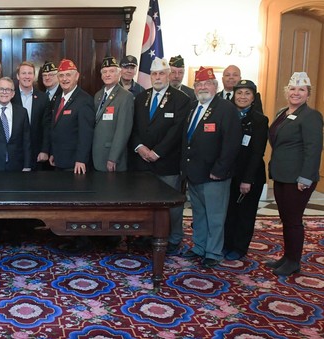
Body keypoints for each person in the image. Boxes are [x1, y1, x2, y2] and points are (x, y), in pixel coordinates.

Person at [181, 66, 242, 268]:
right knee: (198, 213)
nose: (202, 87)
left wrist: (220, 169)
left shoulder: (226, 109)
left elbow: (232, 143)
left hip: (214, 175)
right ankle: (199, 246)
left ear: (215, 86)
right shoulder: (192, 107)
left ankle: (213, 252)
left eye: (206, 83)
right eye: (198, 84)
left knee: (215, 216)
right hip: (194, 172)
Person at [131, 57, 191, 255]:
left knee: (170, 205)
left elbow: (177, 130)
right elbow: (135, 127)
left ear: (169, 75)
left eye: (161, 74)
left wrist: (158, 152)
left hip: (167, 162)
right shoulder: (141, 97)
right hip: (143, 162)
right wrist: (140, 147)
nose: (158, 77)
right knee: (146, 203)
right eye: (154, 74)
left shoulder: (181, 99)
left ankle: (173, 238)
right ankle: (147, 235)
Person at [267, 72, 323, 276]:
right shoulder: (283, 112)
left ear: (308, 94)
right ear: (287, 91)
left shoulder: (311, 116)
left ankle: (294, 261)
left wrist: (306, 176)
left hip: (298, 178)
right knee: (286, 218)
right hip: (282, 175)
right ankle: (287, 256)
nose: (296, 93)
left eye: (301, 90)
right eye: (292, 89)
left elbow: (314, 148)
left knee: (293, 220)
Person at [223, 80, 268, 261]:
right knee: (229, 212)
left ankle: (239, 247)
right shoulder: (228, 115)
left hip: (249, 177)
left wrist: (247, 180)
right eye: (239, 93)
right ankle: (226, 244)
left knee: (245, 214)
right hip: (229, 174)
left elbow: (257, 153)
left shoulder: (259, 120)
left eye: (247, 93)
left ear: (253, 97)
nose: (242, 97)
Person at [49, 58, 95, 174]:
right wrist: (54, 153)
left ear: (77, 76)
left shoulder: (84, 100)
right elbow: (57, 128)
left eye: (68, 75)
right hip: (59, 160)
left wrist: (81, 159)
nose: (64, 79)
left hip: (74, 164)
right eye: (61, 75)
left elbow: (86, 133)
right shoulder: (59, 98)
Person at [92, 56, 133, 172]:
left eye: (111, 71)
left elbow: (123, 130)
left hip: (111, 157)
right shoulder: (98, 95)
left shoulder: (125, 97)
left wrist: (113, 158)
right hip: (96, 155)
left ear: (119, 74)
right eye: (104, 72)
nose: (107, 75)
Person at [11, 61, 51, 170]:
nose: (27, 76)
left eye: (30, 73)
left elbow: (46, 126)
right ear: (18, 76)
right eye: (24, 73)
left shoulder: (43, 98)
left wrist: (44, 150)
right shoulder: (10, 96)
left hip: (37, 153)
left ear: (34, 76)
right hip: (15, 153)